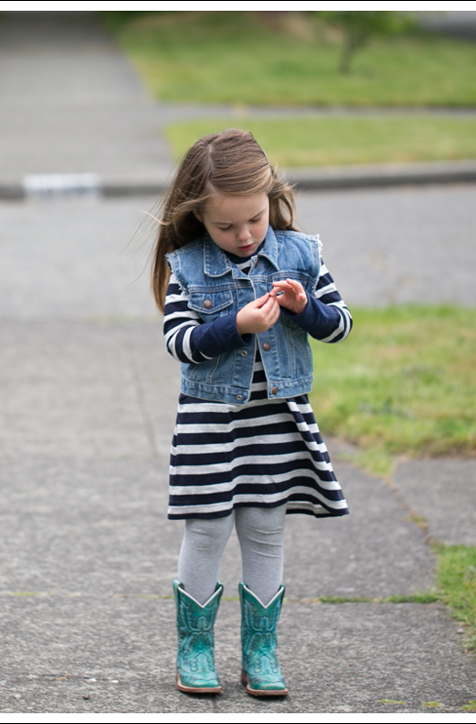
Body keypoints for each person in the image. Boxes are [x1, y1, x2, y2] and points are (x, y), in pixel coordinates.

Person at [149, 128, 352, 696]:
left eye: (254, 220)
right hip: (211, 423)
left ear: (272, 198)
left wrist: (305, 307)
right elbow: (180, 342)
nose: (243, 235)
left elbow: (340, 325)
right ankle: (195, 649)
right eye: (225, 226)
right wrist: (236, 327)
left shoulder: (302, 254)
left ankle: (261, 651)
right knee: (207, 527)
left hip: (275, 421)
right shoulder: (186, 267)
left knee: (265, 529)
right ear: (198, 217)